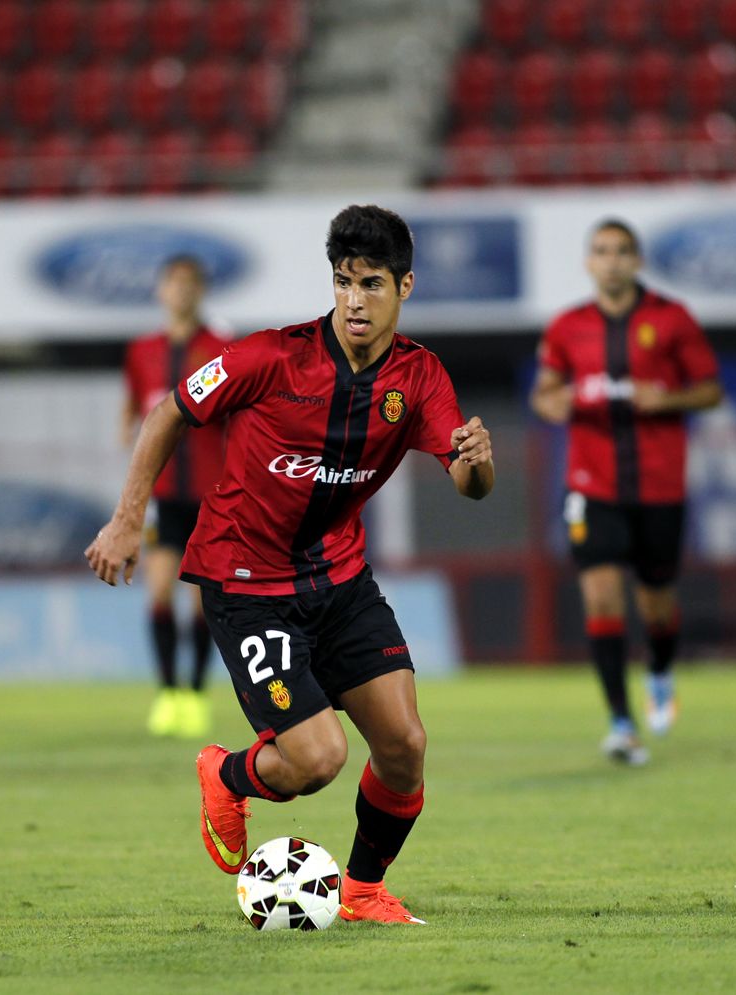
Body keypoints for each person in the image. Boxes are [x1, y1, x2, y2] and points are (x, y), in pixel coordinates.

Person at [87, 205, 494, 925]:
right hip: (246, 583)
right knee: (317, 759)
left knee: (404, 744)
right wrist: (128, 519)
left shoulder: (420, 376)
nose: (354, 300)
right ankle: (226, 771)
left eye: (371, 283)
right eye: (343, 282)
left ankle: (363, 888)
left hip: (339, 578)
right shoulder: (271, 357)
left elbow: (467, 482)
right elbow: (169, 412)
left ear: (405, 285)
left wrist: (476, 464)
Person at [530, 218, 723, 765]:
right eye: (601, 251)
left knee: (656, 605)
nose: (611, 260)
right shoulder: (567, 327)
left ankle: (660, 672)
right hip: (592, 486)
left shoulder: (672, 318)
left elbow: (710, 390)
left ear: (637, 261)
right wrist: (557, 404)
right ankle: (621, 722)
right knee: (601, 596)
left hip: (659, 486)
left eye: (621, 251)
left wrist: (667, 399)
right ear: (589, 263)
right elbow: (543, 397)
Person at [121, 254, 230, 739]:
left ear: (200, 291)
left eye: (190, 283)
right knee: (159, 590)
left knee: (203, 602)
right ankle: (168, 693)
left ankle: (196, 694)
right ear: (161, 291)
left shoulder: (222, 349)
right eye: (173, 282)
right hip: (165, 495)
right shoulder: (142, 351)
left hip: (212, 493)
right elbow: (133, 407)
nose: (181, 291)